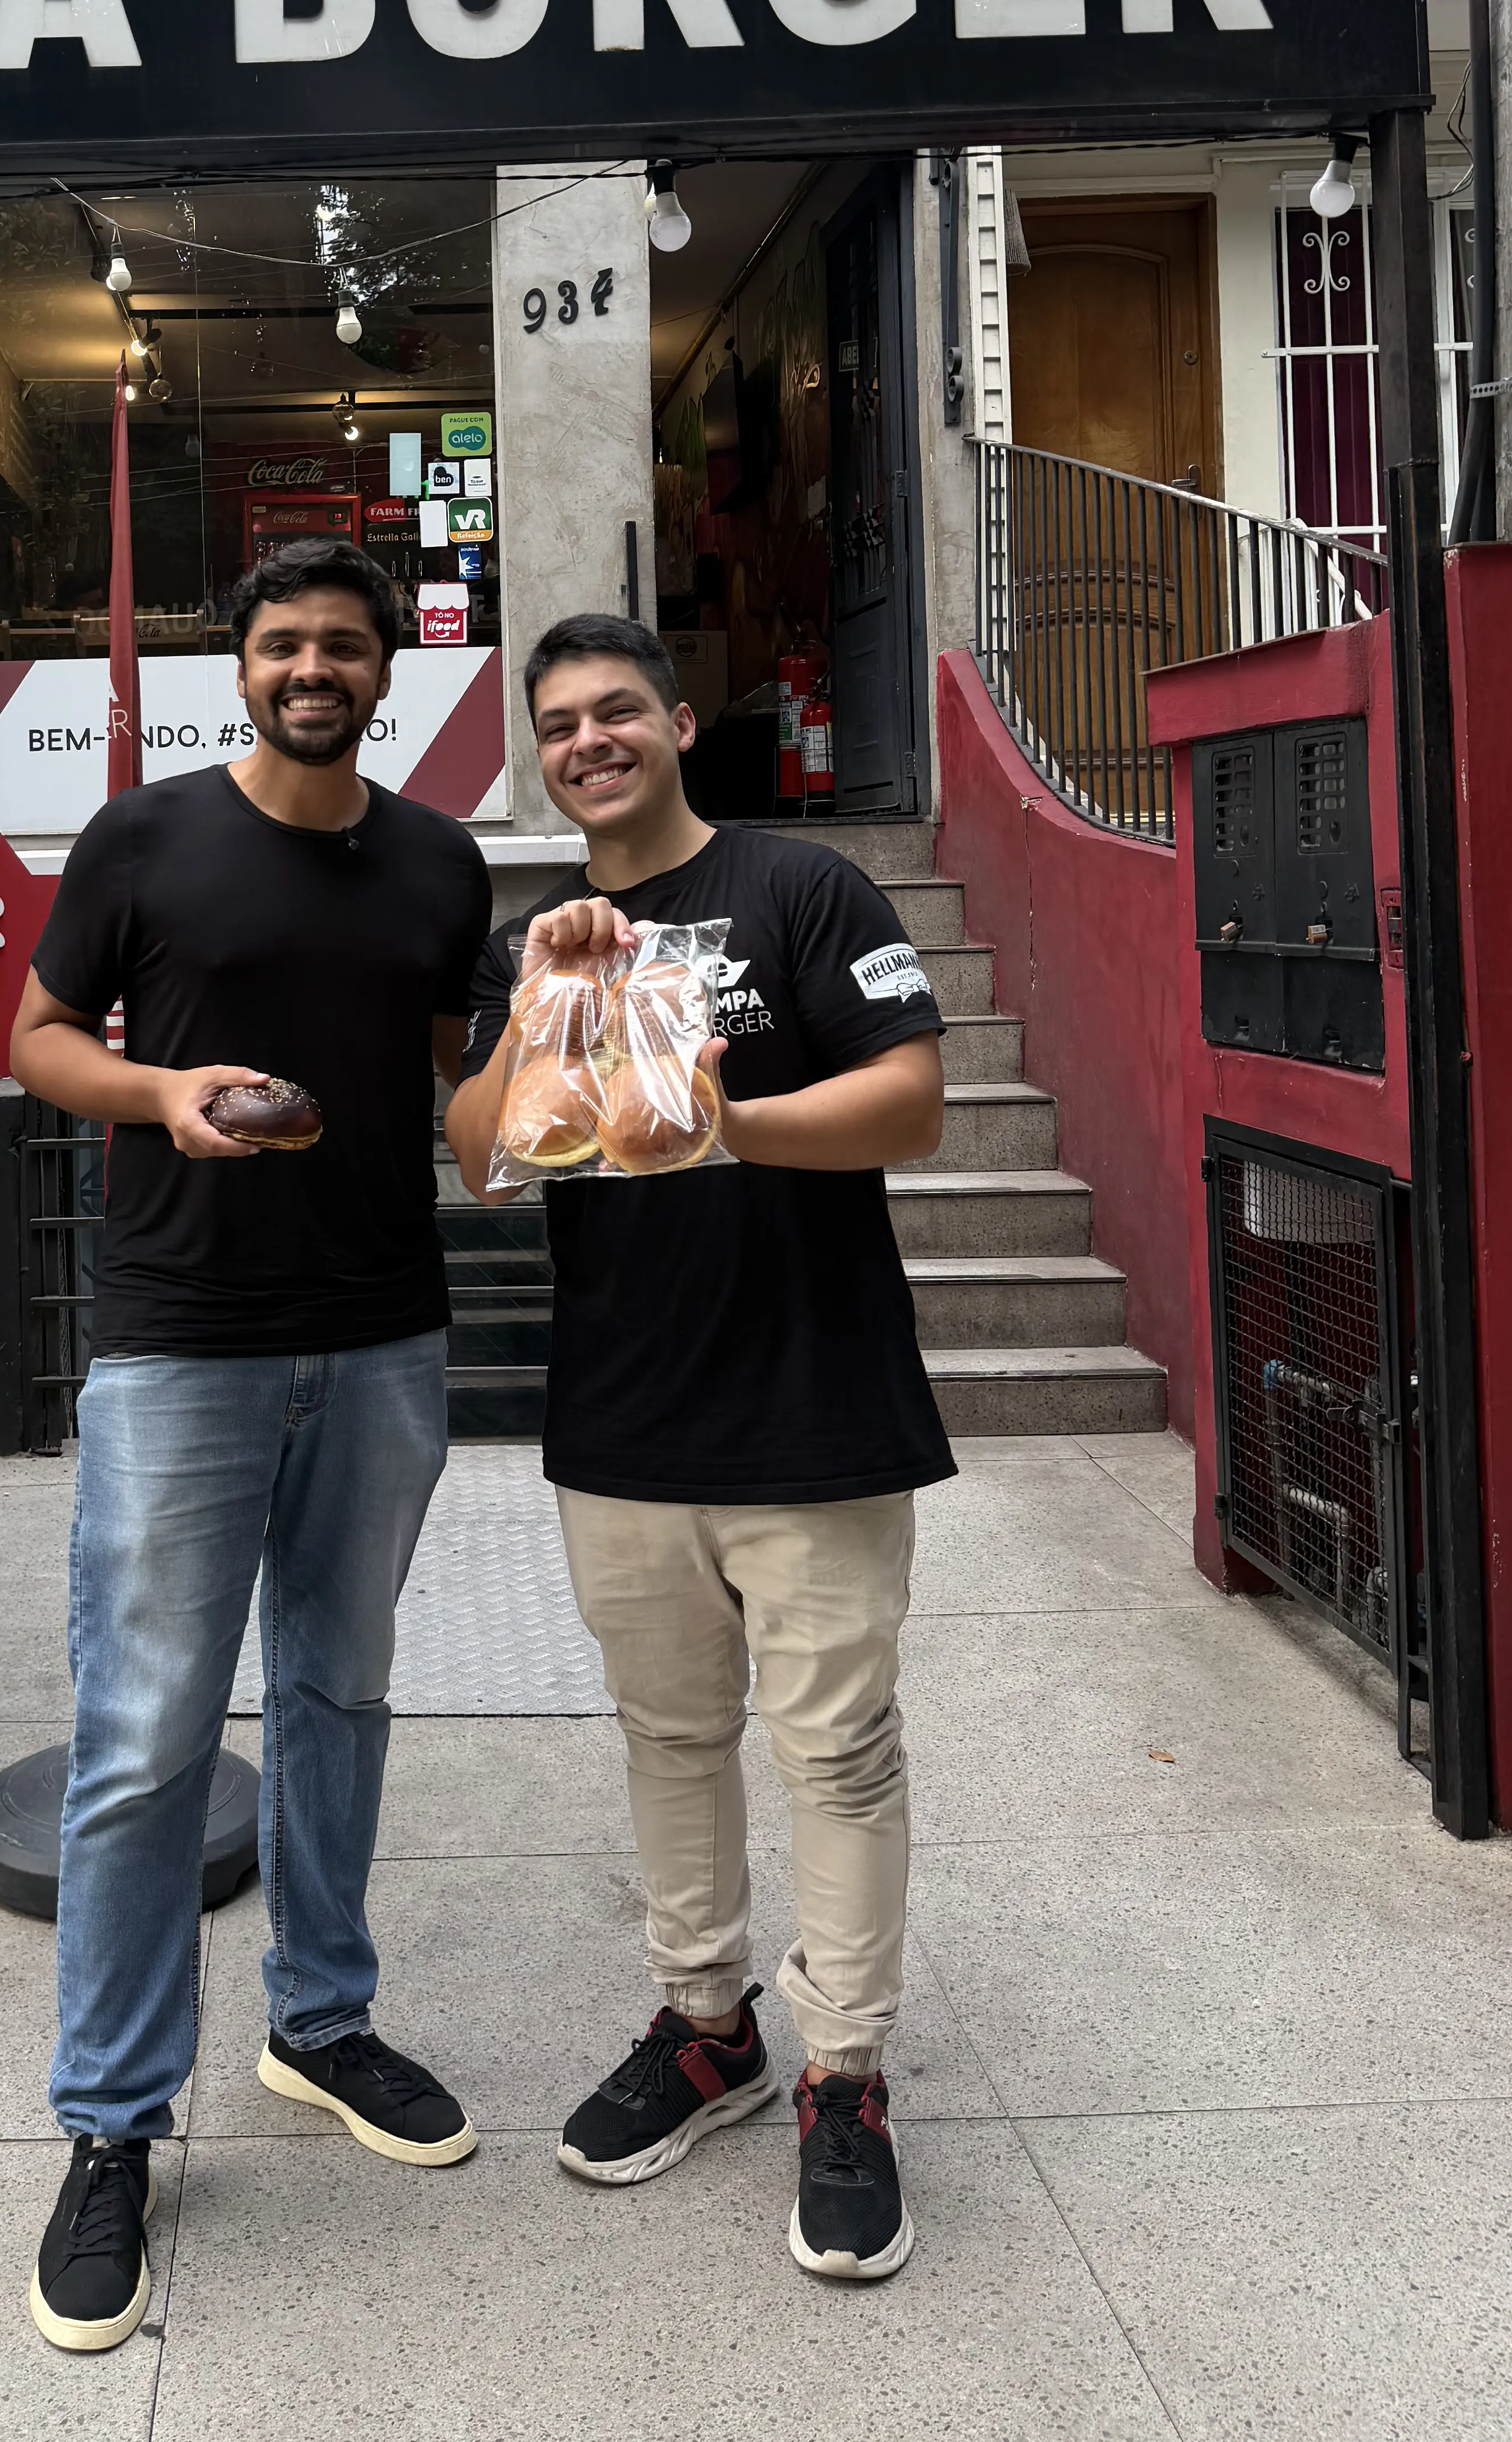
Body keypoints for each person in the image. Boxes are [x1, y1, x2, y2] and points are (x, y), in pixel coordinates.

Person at [7, 535, 492, 2355]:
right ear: (243, 664)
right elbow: (40, 1036)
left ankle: (320, 2020)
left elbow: (447, 1080)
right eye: (284, 643)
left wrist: (545, 1122)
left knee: (339, 1696)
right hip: (181, 1345)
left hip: (380, 1336)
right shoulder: (141, 838)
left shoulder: (440, 864)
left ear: (386, 674)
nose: (314, 668)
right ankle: (110, 2124)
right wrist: (158, 1097)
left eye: (345, 646)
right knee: (141, 1743)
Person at [444, 613, 950, 2284]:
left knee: (836, 1754)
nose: (590, 740)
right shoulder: (539, 938)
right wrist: (547, 996)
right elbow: (482, 1162)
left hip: (811, 1400)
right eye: (561, 724)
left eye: (617, 712)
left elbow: (908, 1103)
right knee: (668, 1741)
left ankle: (844, 2076)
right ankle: (704, 2025)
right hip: (623, 1410)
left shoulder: (803, 890)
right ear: (541, 756)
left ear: (674, 722)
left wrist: (728, 1122)